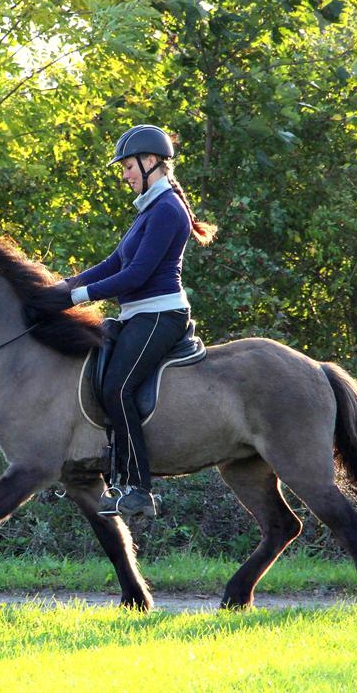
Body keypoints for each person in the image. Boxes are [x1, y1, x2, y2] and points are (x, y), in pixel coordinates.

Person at [50, 124, 217, 517]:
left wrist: (76, 297)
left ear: (151, 162)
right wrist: (64, 285)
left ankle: (137, 488)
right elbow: (113, 263)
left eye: (127, 166)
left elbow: (136, 276)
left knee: (118, 388)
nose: (124, 175)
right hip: (139, 314)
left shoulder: (166, 210)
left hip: (161, 315)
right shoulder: (150, 209)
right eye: (123, 167)